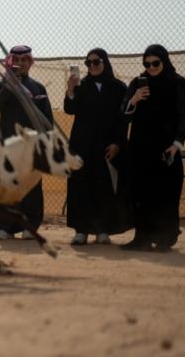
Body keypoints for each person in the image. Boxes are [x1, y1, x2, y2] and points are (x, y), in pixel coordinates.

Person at [120, 44, 185, 253]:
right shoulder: (137, 83)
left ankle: (165, 239)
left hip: (166, 149)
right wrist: (134, 100)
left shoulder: (178, 84)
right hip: (140, 148)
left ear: (165, 61)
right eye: (147, 63)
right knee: (141, 193)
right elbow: (124, 115)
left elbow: (184, 117)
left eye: (155, 63)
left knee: (166, 193)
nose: (151, 67)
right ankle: (141, 238)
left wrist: (177, 144)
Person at [64, 48, 132, 245]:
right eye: (88, 63)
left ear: (105, 62)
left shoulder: (119, 88)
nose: (92, 66)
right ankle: (81, 230)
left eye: (96, 62)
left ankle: (103, 230)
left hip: (107, 147)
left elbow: (123, 119)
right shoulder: (81, 85)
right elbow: (70, 109)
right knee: (80, 186)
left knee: (104, 187)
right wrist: (70, 90)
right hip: (82, 145)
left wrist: (118, 143)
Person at [0, 45, 53, 240]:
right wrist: (10, 86)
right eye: (15, 60)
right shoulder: (0, 85)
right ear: (10, 62)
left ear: (30, 62)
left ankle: (30, 225)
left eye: (23, 60)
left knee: (31, 187)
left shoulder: (38, 88)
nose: (19, 64)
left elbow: (47, 120)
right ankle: (5, 226)